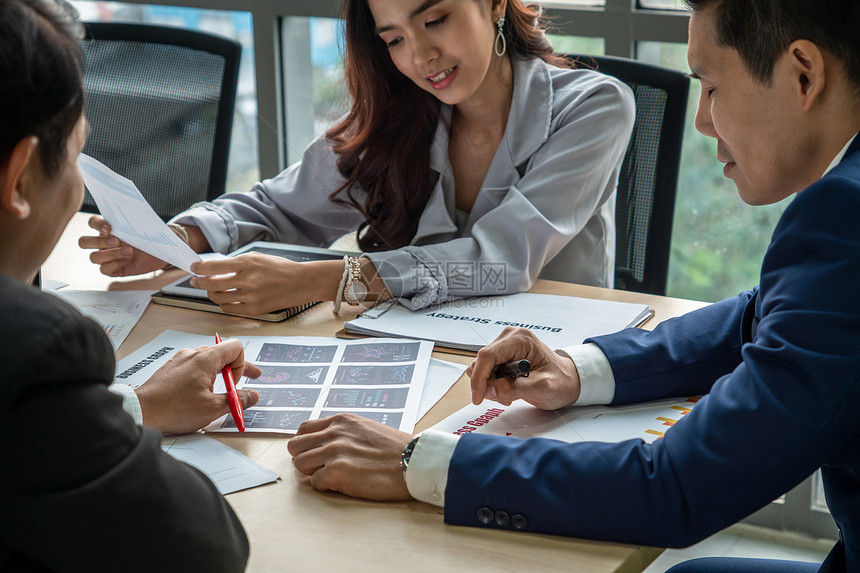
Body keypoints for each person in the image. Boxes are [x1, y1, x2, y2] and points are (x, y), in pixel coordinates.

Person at [286, 0, 860, 571]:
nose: (702, 120)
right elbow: (759, 317)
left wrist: (421, 462)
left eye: (710, 87)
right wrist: (578, 370)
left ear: (802, 74)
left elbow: (676, 488)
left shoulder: (843, 217)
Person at [79, 0, 635, 316]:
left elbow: (503, 259)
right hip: (431, 355)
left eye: (434, 18)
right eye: (393, 39)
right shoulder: (402, 113)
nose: (420, 57)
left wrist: (325, 280)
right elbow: (280, 208)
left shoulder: (597, 107)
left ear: (493, 3)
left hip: (553, 362)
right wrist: (182, 240)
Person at [0, 1, 262, 570]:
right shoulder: (32, 347)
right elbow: (205, 548)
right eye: (76, 154)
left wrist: (131, 407)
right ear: (19, 179)